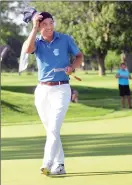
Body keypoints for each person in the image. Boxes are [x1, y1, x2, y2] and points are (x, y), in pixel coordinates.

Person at [23, 12, 83, 175]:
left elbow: (79, 56)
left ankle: (47, 162)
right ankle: (60, 165)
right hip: (42, 90)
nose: (49, 27)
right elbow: (28, 50)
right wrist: (34, 27)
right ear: (39, 27)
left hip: (61, 89)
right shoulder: (36, 42)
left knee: (54, 127)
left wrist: (73, 66)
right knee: (51, 129)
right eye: (44, 25)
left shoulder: (65, 39)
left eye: (51, 23)